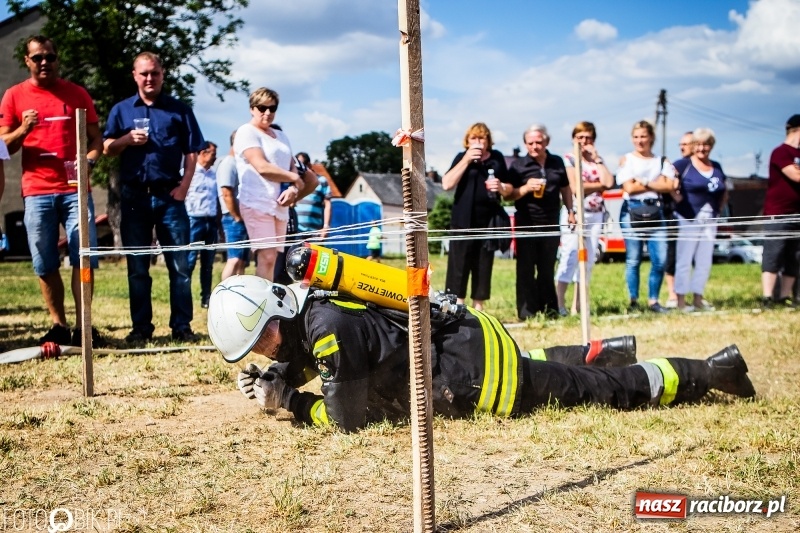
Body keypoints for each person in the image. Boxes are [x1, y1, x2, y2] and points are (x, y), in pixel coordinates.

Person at [207, 275, 755, 433]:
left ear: (278, 312)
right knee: (547, 364)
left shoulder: (326, 329)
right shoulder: (315, 306)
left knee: (598, 392)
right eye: (254, 349)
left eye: (263, 339)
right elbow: (315, 358)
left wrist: (292, 405)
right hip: (468, 340)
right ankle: (608, 348)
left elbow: (348, 417)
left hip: (476, 377)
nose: (263, 350)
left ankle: (712, 371)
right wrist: (279, 371)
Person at [0, 35, 103, 347]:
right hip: (36, 191)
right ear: (27, 62)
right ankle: (59, 325)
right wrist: (23, 129)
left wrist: (89, 161)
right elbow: (3, 146)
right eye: (37, 58)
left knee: (82, 257)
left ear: (58, 59)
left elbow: (97, 139)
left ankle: (84, 326)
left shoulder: (77, 94)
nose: (44, 62)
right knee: (44, 262)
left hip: (75, 190)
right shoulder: (14, 96)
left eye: (49, 57)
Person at [103, 51, 206, 343]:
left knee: (180, 266)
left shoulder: (179, 110)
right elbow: (108, 146)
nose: (150, 78)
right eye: (144, 73)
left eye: (155, 73)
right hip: (134, 197)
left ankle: (182, 328)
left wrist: (184, 186)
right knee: (137, 268)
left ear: (162, 74)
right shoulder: (121, 110)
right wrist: (125, 140)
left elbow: (192, 151)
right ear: (135, 76)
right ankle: (141, 329)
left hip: (169, 196)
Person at [233, 87, 317, 281]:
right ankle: (260, 307)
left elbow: (293, 167)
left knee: (274, 259)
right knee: (267, 256)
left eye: (272, 108)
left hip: (279, 205)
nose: (268, 113)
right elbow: (262, 166)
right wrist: (294, 179)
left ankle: (267, 303)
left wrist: (294, 188)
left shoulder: (281, 136)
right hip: (256, 202)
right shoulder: (246, 131)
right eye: (262, 108)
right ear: (252, 108)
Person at [506, 124, 575, 319]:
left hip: (551, 221)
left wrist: (571, 210)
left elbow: (566, 189)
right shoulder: (519, 166)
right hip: (526, 222)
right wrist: (526, 188)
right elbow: (509, 195)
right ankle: (527, 312)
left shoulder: (556, 162)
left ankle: (550, 310)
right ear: (525, 144)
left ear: (547, 142)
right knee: (526, 269)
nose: (535, 146)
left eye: (539, 142)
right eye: (530, 143)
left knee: (547, 267)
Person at [442, 123, 511, 311]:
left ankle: (478, 310)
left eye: (482, 138)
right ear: (467, 141)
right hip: (462, 221)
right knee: (458, 266)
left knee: (483, 266)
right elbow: (446, 184)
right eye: (474, 138)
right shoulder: (461, 157)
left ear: (488, 141)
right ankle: (457, 309)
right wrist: (465, 160)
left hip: (488, 221)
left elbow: (509, 188)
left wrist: (502, 187)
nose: (478, 143)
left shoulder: (496, 159)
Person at [615, 120, 678, 313]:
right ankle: (634, 301)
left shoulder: (661, 160)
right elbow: (629, 188)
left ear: (651, 137)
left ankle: (654, 301)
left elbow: (671, 186)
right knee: (633, 259)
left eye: (643, 136)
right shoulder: (626, 159)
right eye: (636, 137)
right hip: (631, 211)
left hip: (656, 211)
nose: (639, 140)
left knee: (659, 259)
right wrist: (654, 182)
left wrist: (640, 180)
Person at [555, 121, 614, 316]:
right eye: (579, 137)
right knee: (570, 255)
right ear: (573, 139)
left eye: (587, 138)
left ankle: (578, 306)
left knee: (588, 259)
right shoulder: (569, 159)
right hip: (575, 212)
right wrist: (598, 185)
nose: (583, 141)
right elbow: (575, 188)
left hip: (596, 213)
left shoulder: (597, 160)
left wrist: (597, 161)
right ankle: (559, 303)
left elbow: (609, 182)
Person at [671, 128, 727, 312]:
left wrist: (718, 209)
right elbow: (668, 184)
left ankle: (698, 298)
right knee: (684, 259)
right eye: (699, 144)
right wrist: (679, 200)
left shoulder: (716, 166)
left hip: (710, 218)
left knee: (704, 260)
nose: (702, 148)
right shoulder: (682, 165)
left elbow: (724, 188)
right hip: (688, 217)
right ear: (693, 145)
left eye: (707, 144)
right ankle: (680, 300)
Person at [761, 114, 800, 308]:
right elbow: (795, 175)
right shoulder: (781, 152)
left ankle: (784, 297)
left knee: (795, 256)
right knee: (773, 254)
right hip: (779, 213)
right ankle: (768, 297)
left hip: (797, 213)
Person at [186, 141, 219, 309]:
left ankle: (206, 297)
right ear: (203, 153)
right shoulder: (189, 173)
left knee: (208, 263)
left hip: (211, 222)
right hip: (194, 221)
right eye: (213, 153)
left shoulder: (214, 175)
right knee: (189, 261)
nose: (215, 157)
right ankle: (185, 297)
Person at [664, 131, 695, 308]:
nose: (683, 147)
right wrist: (675, 196)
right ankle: (672, 294)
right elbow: (669, 184)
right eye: (681, 144)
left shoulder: (698, 165)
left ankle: (687, 293)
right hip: (674, 215)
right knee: (673, 255)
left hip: (693, 217)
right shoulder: (679, 164)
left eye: (686, 143)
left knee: (687, 257)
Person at [216, 130, 249, 280]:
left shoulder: (238, 163)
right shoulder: (228, 164)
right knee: (233, 259)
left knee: (241, 261)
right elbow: (226, 193)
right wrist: (237, 216)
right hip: (232, 218)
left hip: (240, 218)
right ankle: (224, 293)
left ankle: (238, 293)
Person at [293, 152, 331, 240]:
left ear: (309, 165)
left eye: (301, 165)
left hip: (315, 231)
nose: (299, 169)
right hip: (296, 231)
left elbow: (327, 205)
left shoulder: (322, 181)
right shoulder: (294, 181)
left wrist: (326, 226)